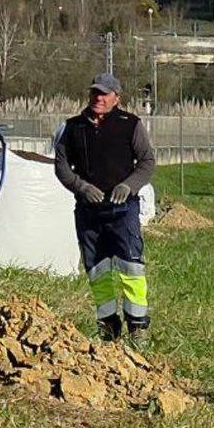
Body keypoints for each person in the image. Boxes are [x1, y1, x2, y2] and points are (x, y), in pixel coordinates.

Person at [54, 72, 155, 347]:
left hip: (123, 211)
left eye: (104, 94)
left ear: (116, 98)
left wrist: (129, 186)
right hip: (89, 213)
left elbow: (147, 161)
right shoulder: (72, 128)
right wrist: (81, 187)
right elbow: (61, 165)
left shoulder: (130, 125)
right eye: (95, 92)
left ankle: (138, 328)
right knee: (97, 270)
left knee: (131, 267)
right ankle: (108, 328)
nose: (99, 98)